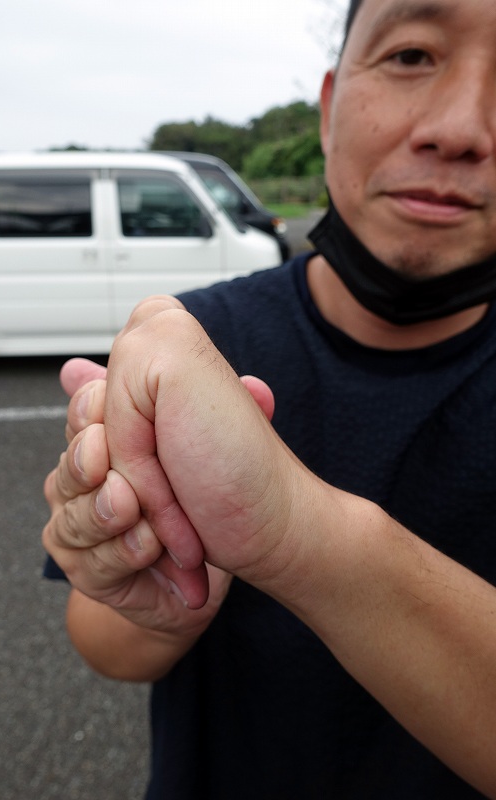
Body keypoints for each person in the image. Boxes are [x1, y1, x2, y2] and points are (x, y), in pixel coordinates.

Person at [42, 0, 496, 796]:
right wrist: (153, 585)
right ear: (326, 109)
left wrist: (295, 534)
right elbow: (107, 645)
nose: (459, 128)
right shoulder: (191, 341)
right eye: (411, 55)